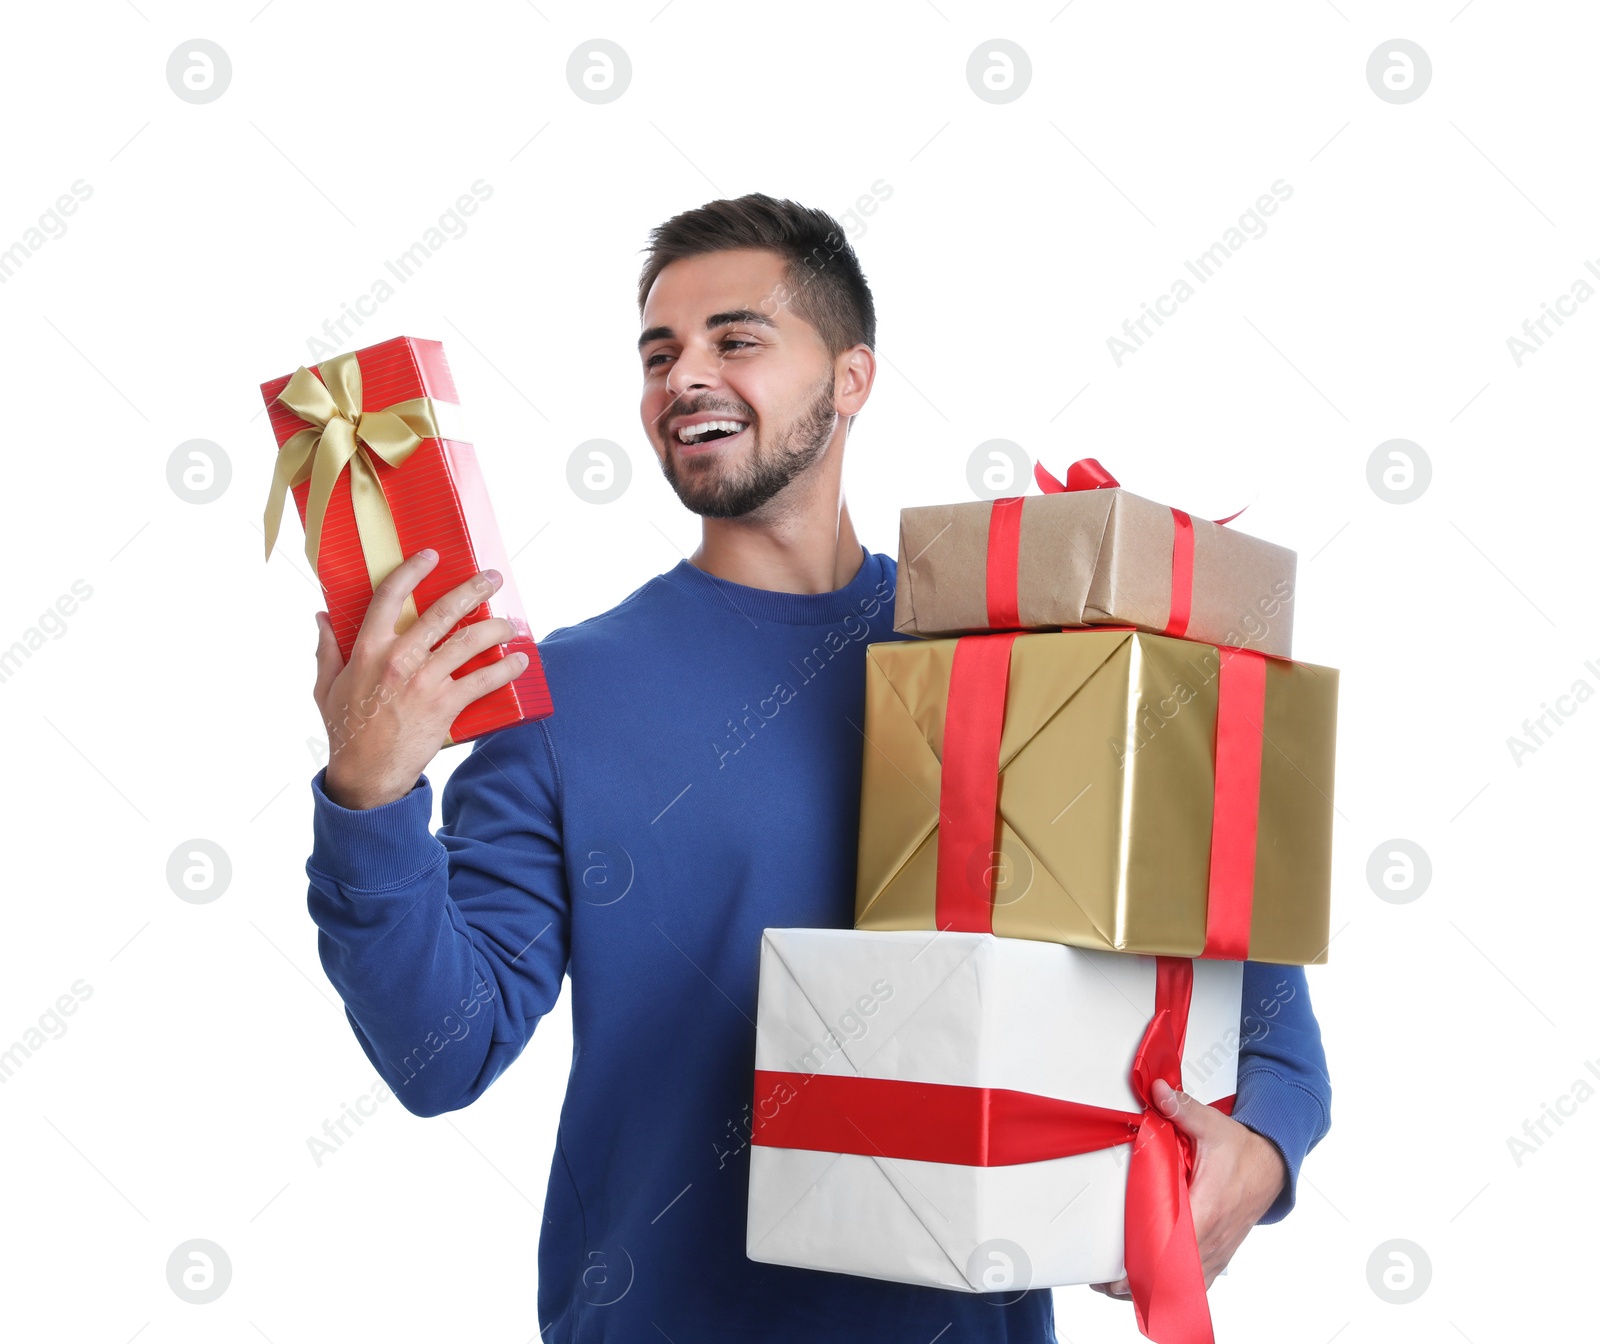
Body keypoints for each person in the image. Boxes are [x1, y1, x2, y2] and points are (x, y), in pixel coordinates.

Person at [304, 193, 1332, 1342]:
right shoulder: (564, 700)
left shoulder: (1023, 662)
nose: (682, 375)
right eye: (659, 352)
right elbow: (439, 1054)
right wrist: (371, 795)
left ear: (851, 379)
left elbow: (1261, 1023)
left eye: (734, 339)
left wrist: (1266, 1145)